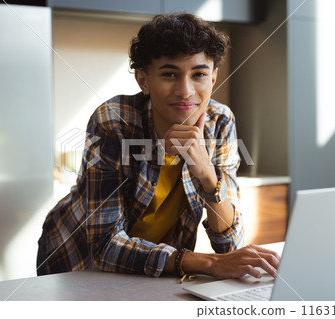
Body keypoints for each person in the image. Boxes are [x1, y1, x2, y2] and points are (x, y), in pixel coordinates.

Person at [37, 13, 280, 280]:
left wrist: (208, 175)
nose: (185, 90)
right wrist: (209, 264)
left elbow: (229, 243)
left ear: (213, 79)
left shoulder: (220, 122)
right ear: (144, 80)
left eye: (198, 74)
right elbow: (105, 246)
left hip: (152, 269)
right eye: (169, 74)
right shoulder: (114, 122)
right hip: (76, 262)